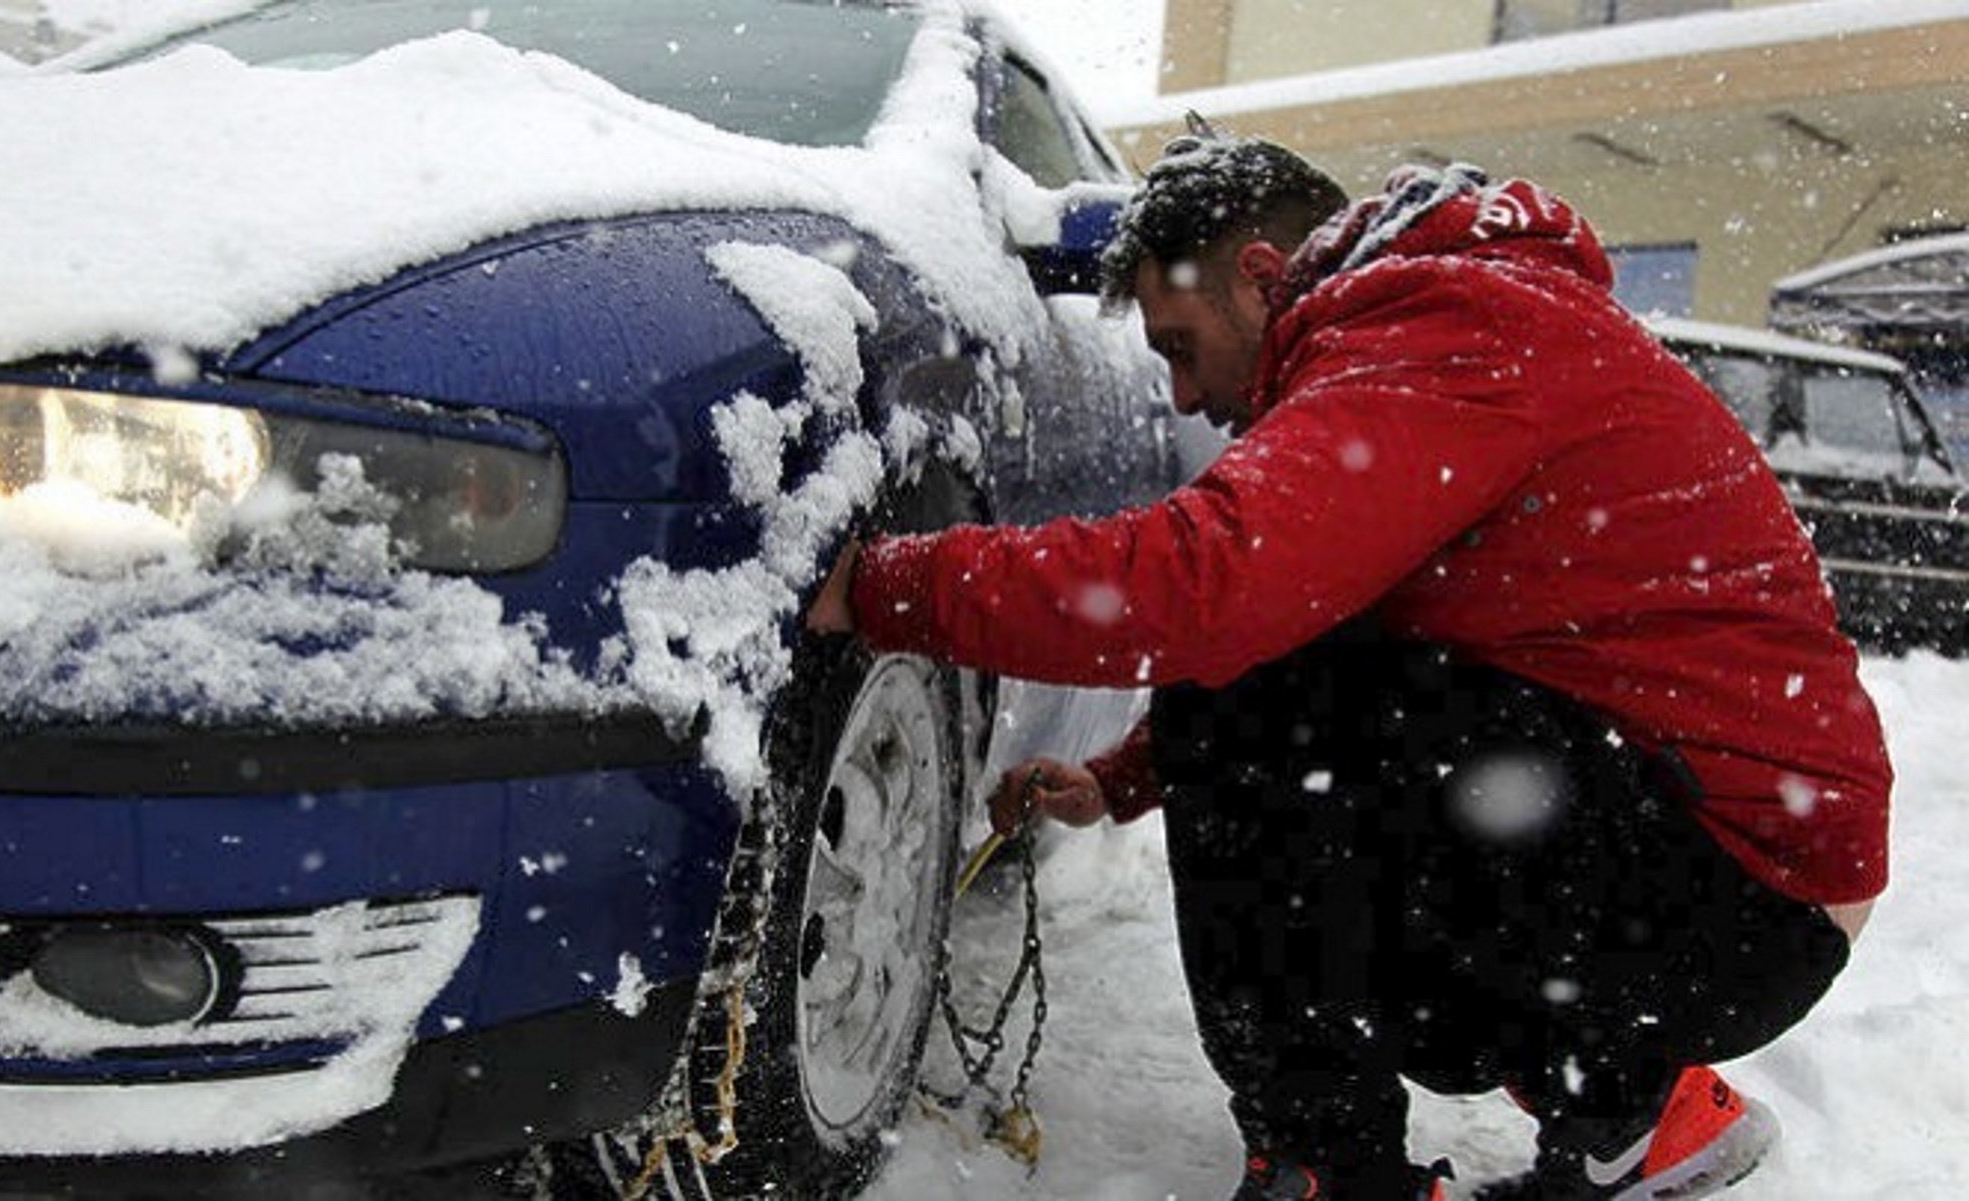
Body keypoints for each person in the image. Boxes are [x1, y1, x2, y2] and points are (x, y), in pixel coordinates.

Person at [807, 129, 1889, 1200]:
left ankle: (1329, 1169)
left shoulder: (1443, 325)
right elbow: (1340, 618)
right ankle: (1631, 1114)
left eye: (1179, 345)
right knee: (1278, 661)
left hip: (1731, 883)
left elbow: (1211, 592)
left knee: (1248, 658)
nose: (1182, 397)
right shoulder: (1457, 314)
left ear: (1259, 275)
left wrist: (883, 584)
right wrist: (1125, 775)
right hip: (1720, 860)